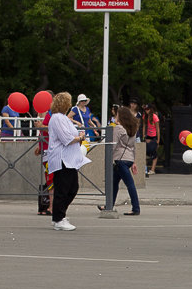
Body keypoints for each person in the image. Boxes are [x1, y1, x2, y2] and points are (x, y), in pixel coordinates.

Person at [45, 92, 90, 231]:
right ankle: (58, 218)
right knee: (63, 189)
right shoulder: (57, 118)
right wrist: (80, 138)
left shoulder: (63, 118)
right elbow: (66, 139)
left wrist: (79, 135)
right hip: (62, 159)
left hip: (69, 159)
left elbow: (71, 135)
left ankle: (60, 215)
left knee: (71, 188)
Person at [101, 105, 140, 215]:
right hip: (129, 159)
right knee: (114, 182)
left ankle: (136, 208)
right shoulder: (133, 128)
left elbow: (113, 145)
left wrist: (108, 158)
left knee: (129, 184)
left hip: (120, 159)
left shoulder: (118, 128)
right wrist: (134, 162)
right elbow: (133, 146)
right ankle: (109, 205)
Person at [143, 103, 160, 177]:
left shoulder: (154, 117)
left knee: (153, 152)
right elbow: (144, 125)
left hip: (154, 136)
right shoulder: (145, 117)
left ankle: (152, 169)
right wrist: (143, 135)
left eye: (148, 109)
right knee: (146, 152)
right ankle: (145, 169)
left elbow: (157, 128)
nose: (147, 111)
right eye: (146, 109)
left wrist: (158, 140)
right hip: (148, 136)